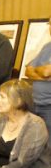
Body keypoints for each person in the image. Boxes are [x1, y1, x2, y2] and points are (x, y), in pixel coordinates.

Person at [25, 16, 51, 145]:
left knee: (48, 147)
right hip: (36, 103)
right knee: (35, 145)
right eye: (50, 25)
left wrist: (39, 70)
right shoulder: (47, 46)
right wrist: (43, 74)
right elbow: (28, 70)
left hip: (49, 106)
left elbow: (47, 71)